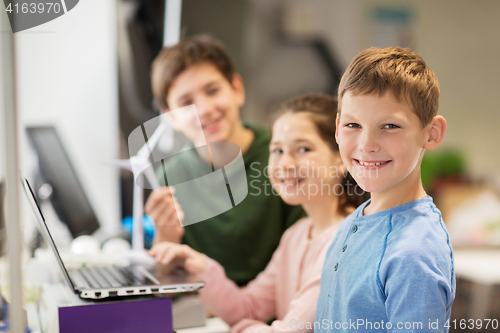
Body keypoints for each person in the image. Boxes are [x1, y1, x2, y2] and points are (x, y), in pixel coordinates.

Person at [148, 94, 369, 332]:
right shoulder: (297, 235)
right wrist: (199, 266)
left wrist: (242, 328)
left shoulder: (348, 242)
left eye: (303, 149)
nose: (285, 164)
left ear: (341, 157)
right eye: (277, 150)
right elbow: (250, 308)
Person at [145, 34, 305, 286]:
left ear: (237, 89)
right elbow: (168, 286)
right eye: (186, 103)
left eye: (213, 90)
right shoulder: (170, 178)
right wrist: (165, 238)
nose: (205, 109)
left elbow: (309, 260)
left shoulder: (285, 157)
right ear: (171, 117)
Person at [315, 47, 455, 332]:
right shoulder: (355, 221)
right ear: (338, 127)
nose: (367, 144)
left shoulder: (414, 253)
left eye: (390, 126)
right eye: (354, 124)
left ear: (431, 133)